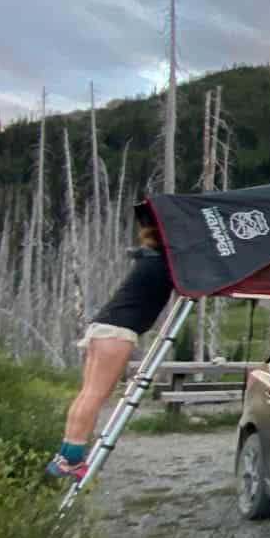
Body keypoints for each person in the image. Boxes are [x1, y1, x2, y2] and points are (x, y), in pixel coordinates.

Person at [47, 204, 175, 480]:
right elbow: (191, 283)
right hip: (118, 332)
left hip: (102, 328)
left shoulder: (149, 259)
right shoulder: (162, 263)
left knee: (87, 394)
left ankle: (66, 456)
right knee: (95, 396)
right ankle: (71, 460)